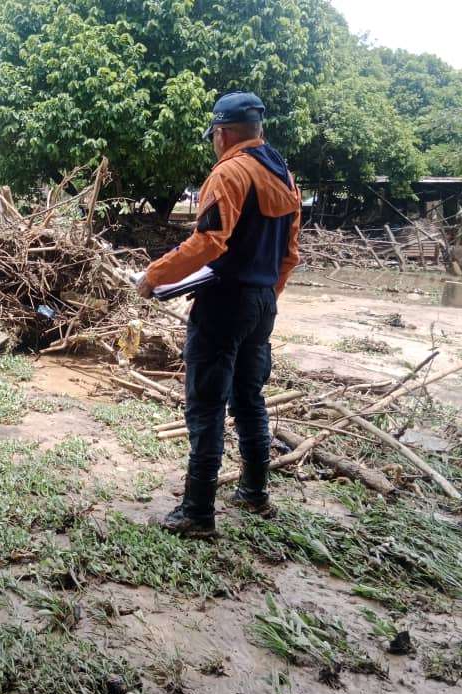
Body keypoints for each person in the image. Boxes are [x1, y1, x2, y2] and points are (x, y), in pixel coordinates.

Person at [137, 92, 301, 537]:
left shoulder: (229, 173)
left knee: (206, 403)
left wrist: (155, 275)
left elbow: (209, 242)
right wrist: (265, 294)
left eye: (214, 135)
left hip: (225, 302)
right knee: (250, 398)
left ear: (223, 133)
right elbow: (290, 253)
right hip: (263, 302)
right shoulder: (283, 176)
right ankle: (254, 492)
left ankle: (197, 512)